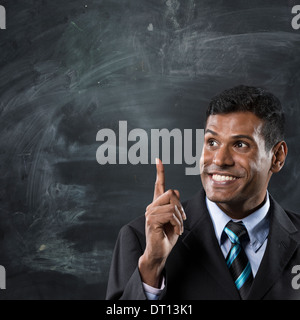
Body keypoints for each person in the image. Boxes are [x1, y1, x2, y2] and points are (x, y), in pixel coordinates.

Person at [106, 85, 300, 300]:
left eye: (240, 144)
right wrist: (152, 266)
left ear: (277, 157)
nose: (219, 159)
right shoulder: (141, 241)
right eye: (212, 142)